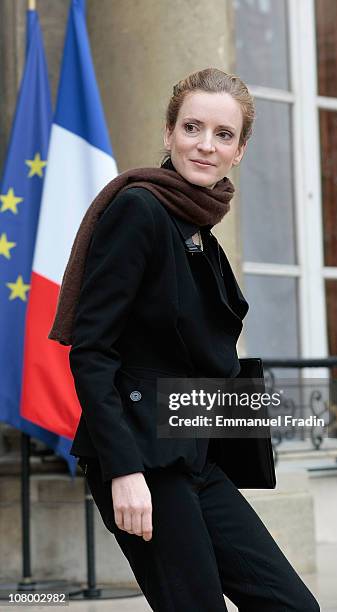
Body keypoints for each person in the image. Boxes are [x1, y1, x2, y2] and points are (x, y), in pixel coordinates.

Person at [50, 68, 320, 611]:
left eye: (223, 134)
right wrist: (124, 471)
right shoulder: (140, 210)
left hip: (195, 457)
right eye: (192, 127)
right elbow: (93, 351)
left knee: (293, 605)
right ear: (170, 132)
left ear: (239, 150)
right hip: (142, 461)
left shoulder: (197, 229)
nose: (205, 145)